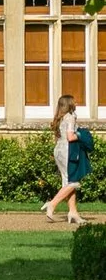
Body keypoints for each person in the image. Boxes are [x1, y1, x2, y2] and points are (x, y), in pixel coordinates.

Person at [42, 93, 86, 226]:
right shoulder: (70, 117)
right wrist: (82, 136)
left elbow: (58, 137)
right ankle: (52, 204)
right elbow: (70, 137)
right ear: (70, 104)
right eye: (75, 102)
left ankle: (73, 212)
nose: (76, 104)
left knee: (66, 181)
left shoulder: (60, 118)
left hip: (58, 151)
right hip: (68, 151)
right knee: (74, 182)